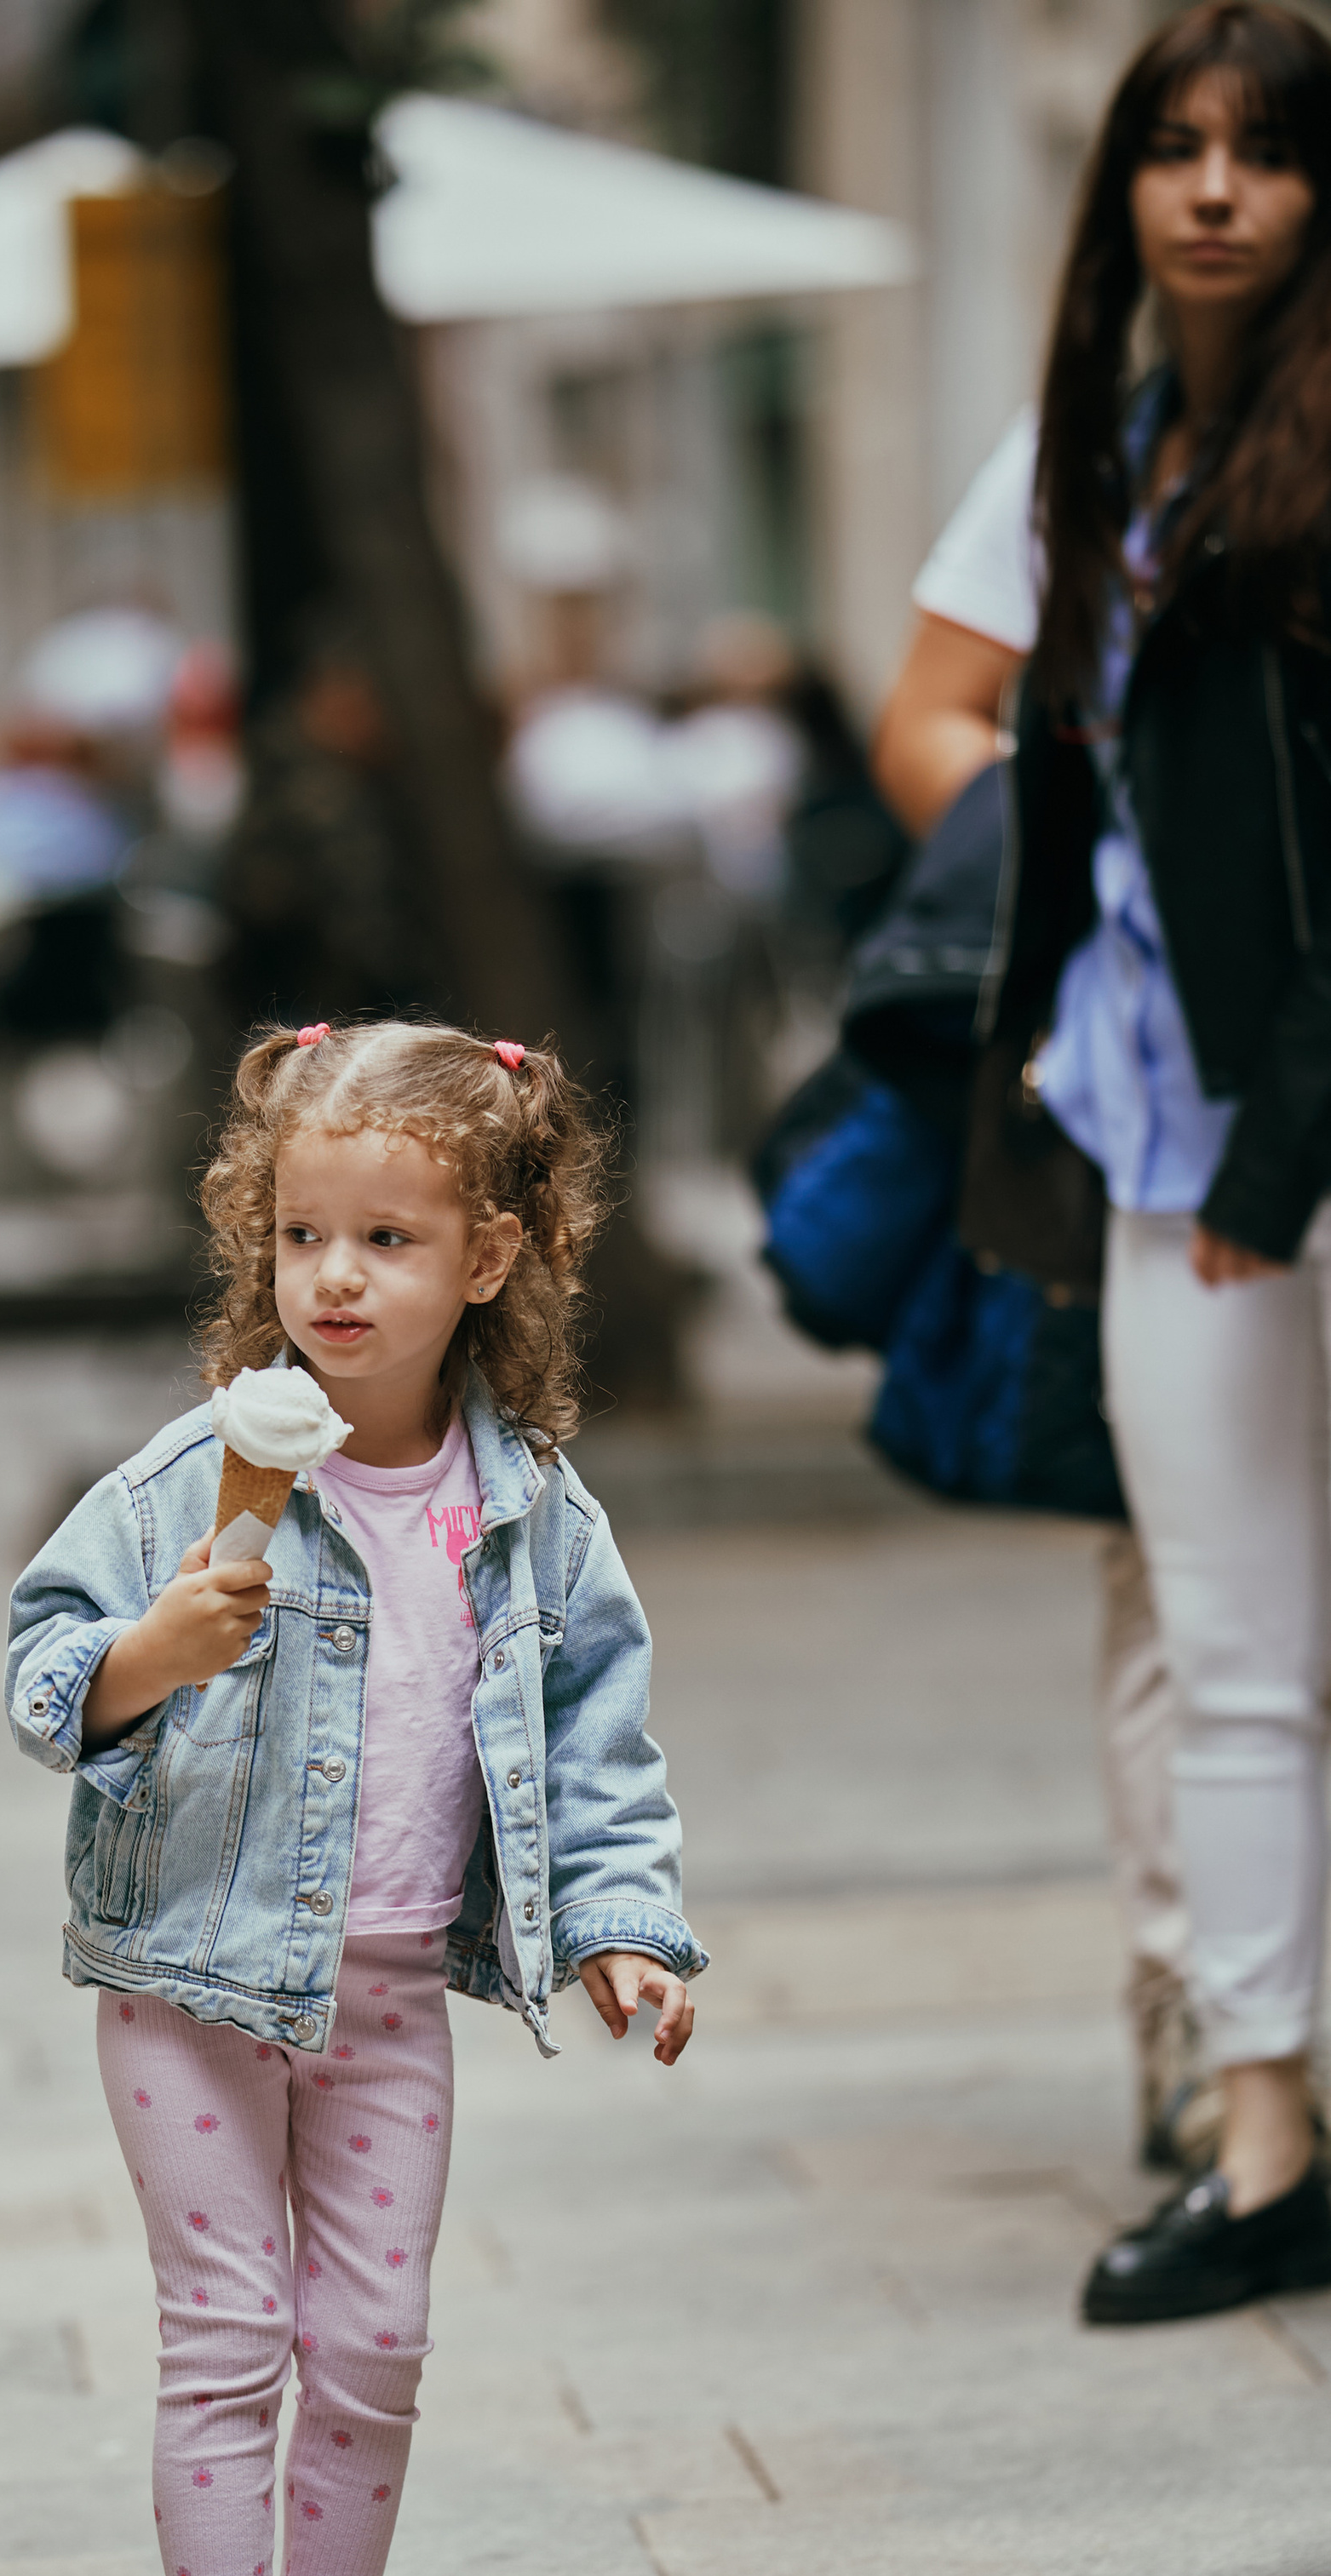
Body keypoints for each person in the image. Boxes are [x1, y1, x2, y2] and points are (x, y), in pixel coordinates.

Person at [7, 1019, 704, 2576]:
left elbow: (595, 1736)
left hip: (389, 1995)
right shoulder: (190, 1475)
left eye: (386, 1240)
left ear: (487, 1259)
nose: (334, 1277)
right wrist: (149, 1654)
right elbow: (44, 1670)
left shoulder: (527, 1508)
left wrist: (621, 1928)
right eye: (302, 1234)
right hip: (193, 1983)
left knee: (376, 2340)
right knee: (230, 2334)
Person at [883, 2, 1331, 2325]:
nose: (1215, 188)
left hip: (1283, 1137)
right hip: (1164, 1135)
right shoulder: (1110, 451)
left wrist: (1281, 1146)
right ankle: (1261, 2139)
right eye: (1175, 146)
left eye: (1265, 149)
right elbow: (990, 749)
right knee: (1226, 1654)